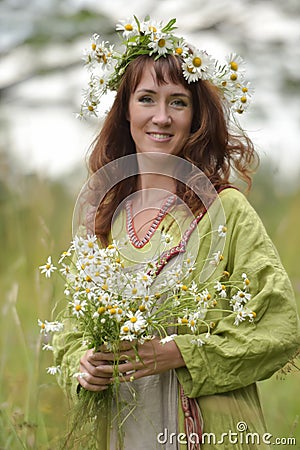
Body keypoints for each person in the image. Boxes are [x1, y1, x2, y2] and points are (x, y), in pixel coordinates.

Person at [53, 16, 300, 449]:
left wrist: (180, 353)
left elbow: (281, 326)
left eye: (178, 102)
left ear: (196, 115)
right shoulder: (103, 220)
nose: (161, 117)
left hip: (205, 428)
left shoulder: (225, 212)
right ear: (125, 110)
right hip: (123, 425)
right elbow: (70, 329)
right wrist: (83, 364)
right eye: (147, 98)